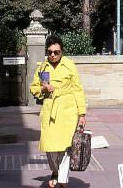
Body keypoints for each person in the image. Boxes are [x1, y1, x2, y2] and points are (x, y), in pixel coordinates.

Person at [29, 35, 86, 188]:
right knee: (50, 146)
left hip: (68, 111)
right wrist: (43, 88)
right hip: (50, 111)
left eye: (56, 52)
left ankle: (62, 179)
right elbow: (33, 88)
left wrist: (82, 114)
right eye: (50, 52)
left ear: (62, 52)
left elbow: (78, 90)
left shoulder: (69, 65)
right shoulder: (42, 67)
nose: (53, 55)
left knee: (67, 147)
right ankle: (55, 170)